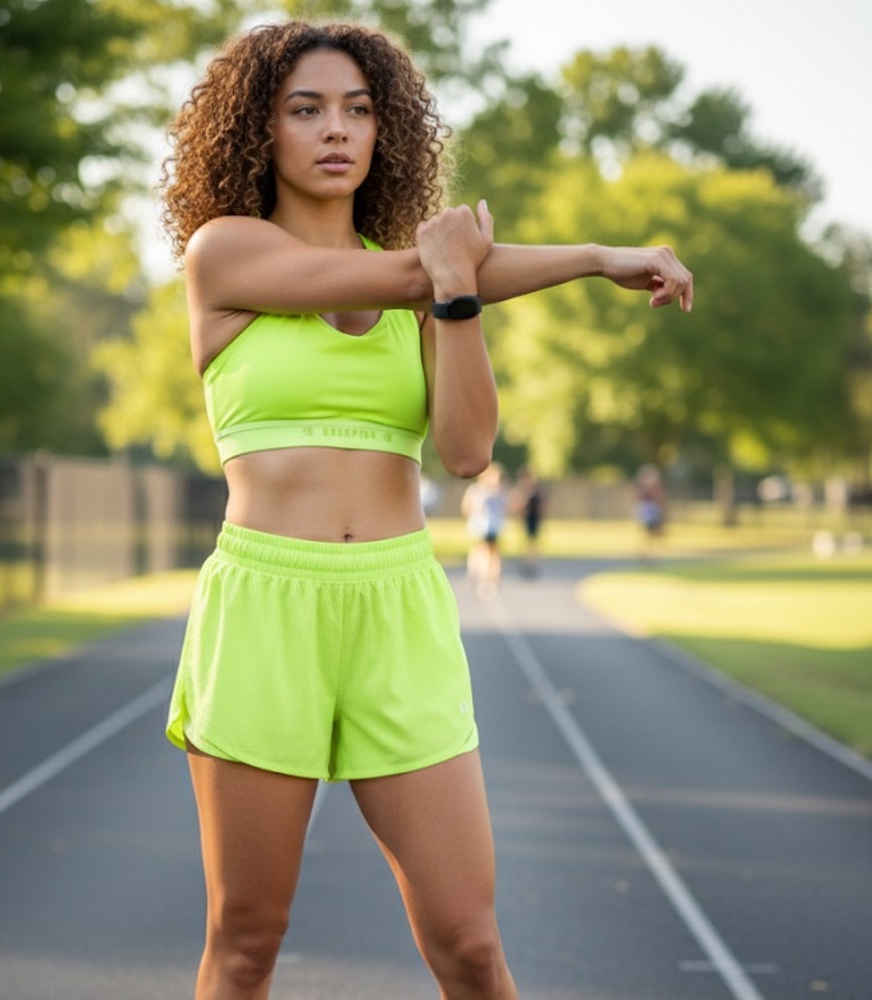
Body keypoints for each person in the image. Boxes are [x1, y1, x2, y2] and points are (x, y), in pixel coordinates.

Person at [158, 19, 694, 1000]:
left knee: (470, 945)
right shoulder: (224, 254)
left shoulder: (431, 287)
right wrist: (590, 255)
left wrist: (460, 297)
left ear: (384, 132)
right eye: (305, 109)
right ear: (255, 130)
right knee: (245, 941)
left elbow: (467, 451)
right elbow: (408, 269)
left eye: (359, 111)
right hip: (266, 605)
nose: (337, 130)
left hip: (396, 606)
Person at [461, 461, 509, 598]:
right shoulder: (479, 490)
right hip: (482, 525)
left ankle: (487, 578)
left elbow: (506, 507)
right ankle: (482, 576)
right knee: (484, 551)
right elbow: (466, 507)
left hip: (490, 526)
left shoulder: (494, 491)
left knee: (489, 553)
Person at [513, 467, 546, 576]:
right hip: (526, 519)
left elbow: (542, 504)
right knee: (526, 543)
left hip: (534, 519)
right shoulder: (524, 490)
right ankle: (527, 562)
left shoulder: (535, 490)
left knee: (532, 543)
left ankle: (532, 563)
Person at [635, 463, 667, 560]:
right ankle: (648, 552)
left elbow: (660, 497)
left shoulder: (654, 486)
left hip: (652, 509)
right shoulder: (645, 487)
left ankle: (651, 552)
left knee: (653, 531)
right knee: (649, 531)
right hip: (648, 509)